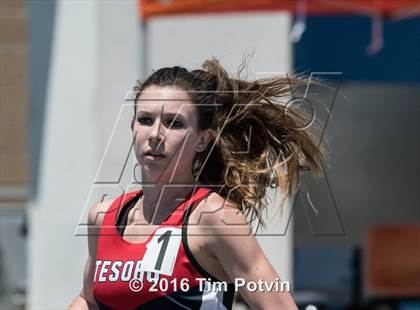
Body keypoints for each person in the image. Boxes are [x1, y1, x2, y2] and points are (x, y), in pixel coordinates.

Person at [68, 59, 325, 309]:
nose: (156, 134)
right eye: (145, 120)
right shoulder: (104, 218)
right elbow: (89, 300)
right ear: (132, 127)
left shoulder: (216, 218)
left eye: (174, 123)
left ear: (202, 140)